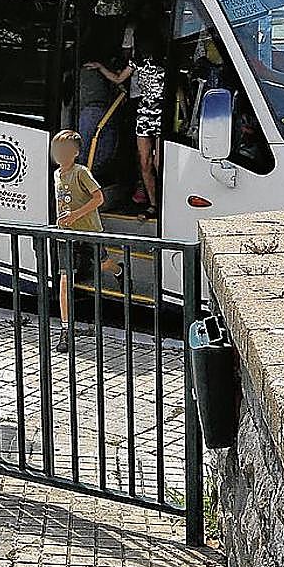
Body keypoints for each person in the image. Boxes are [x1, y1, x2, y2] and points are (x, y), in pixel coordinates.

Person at [51, 130, 124, 352]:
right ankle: (65, 331)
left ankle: (119, 271)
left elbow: (99, 198)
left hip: (90, 231)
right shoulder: (56, 174)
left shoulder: (81, 172)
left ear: (75, 152)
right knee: (65, 280)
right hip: (66, 234)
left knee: (102, 264)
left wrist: (75, 215)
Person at [91, 30, 165, 218]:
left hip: (162, 114)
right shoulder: (137, 62)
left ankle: (164, 201)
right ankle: (154, 204)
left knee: (158, 162)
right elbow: (118, 79)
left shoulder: (166, 62)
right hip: (145, 114)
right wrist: (100, 67)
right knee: (144, 161)